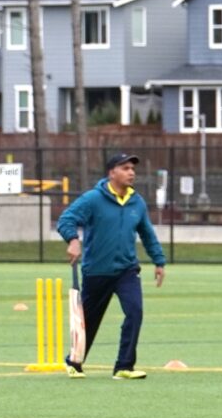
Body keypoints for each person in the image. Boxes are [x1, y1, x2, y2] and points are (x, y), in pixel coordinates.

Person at [53, 152, 166, 379]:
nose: (131, 173)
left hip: (127, 270)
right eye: (125, 168)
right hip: (96, 271)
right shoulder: (93, 199)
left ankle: (124, 366)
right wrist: (73, 240)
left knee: (135, 312)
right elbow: (66, 219)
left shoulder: (137, 202)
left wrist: (159, 260)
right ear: (112, 172)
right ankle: (74, 362)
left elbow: (147, 233)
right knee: (89, 321)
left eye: (132, 169)